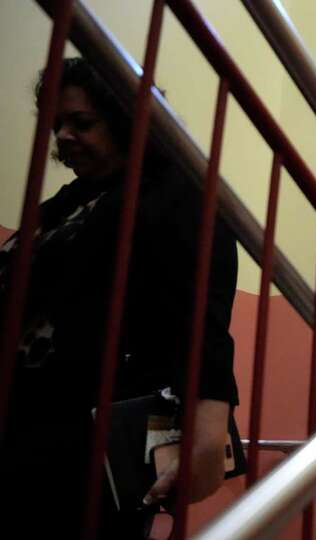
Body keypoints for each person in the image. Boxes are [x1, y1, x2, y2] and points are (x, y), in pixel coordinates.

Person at [0, 57, 240, 538]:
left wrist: (210, 430)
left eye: (81, 122)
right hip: (21, 421)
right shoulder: (66, 202)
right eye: (57, 125)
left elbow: (202, 313)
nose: (63, 136)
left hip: (84, 436)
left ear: (126, 118)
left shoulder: (175, 192)